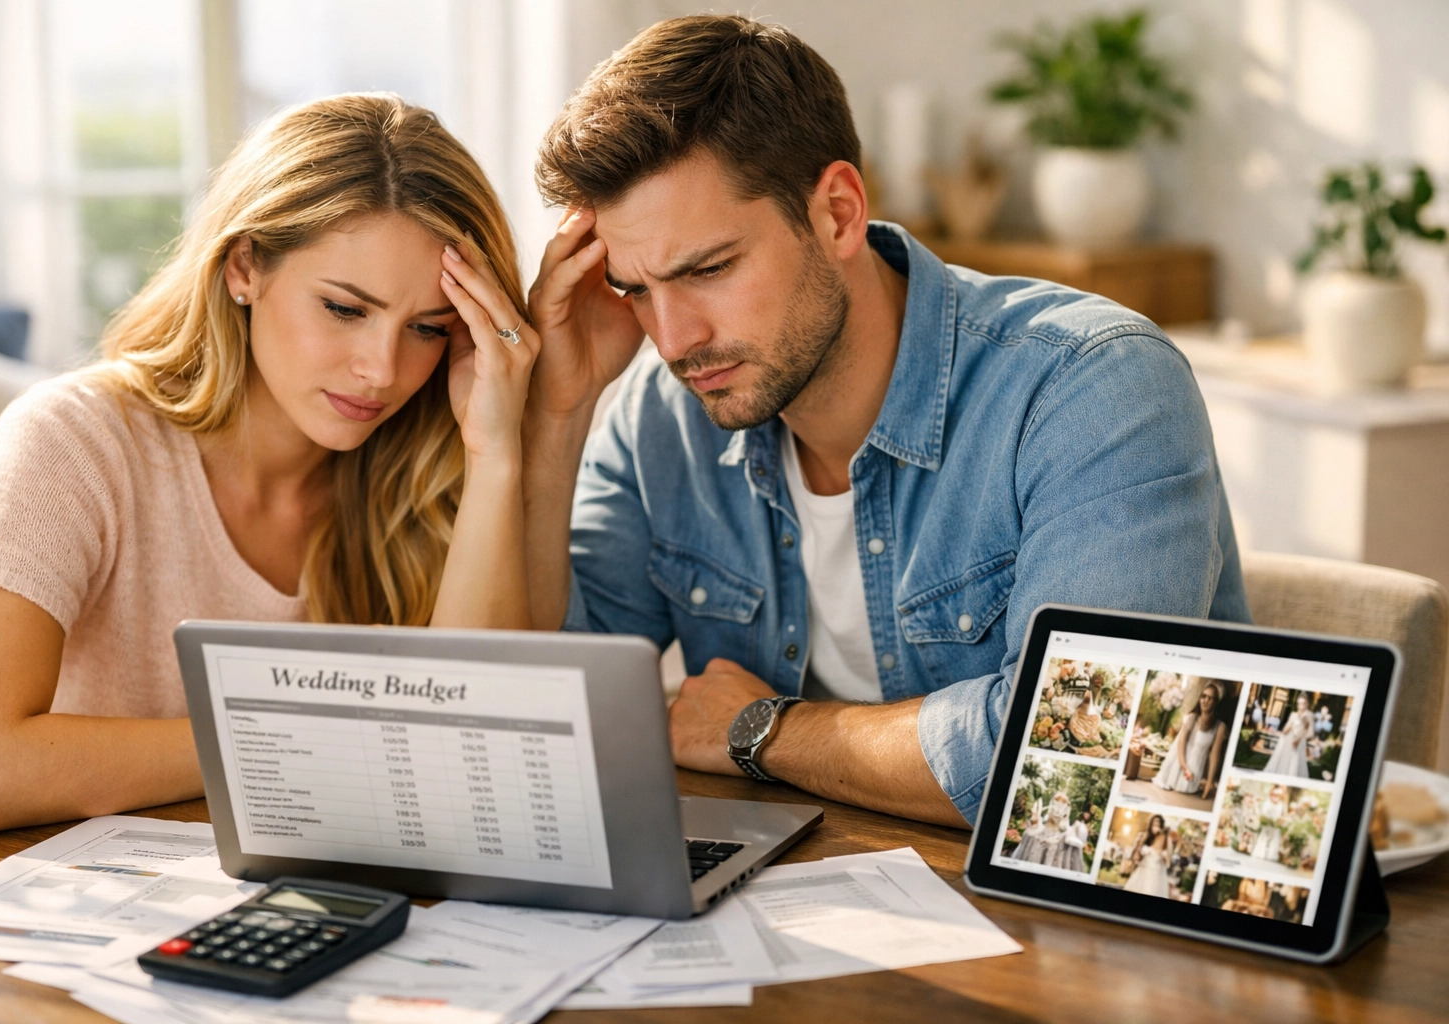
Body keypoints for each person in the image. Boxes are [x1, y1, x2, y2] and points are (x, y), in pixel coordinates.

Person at [520, 15, 1248, 827]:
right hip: (809, 907)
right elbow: (543, 719)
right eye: (636, 290)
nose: (675, 338)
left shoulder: (1092, 387)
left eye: (710, 269)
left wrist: (764, 730)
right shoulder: (661, 416)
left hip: (1073, 935)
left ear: (837, 212)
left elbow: (1077, 764)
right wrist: (557, 413)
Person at [0, 94, 543, 836]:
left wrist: (498, 449)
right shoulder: (73, 441)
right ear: (244, 266)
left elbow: (469, 757)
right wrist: (317, 740)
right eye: (346, 309)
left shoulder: (427, 463)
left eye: (427, 329)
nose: (382, 370)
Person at [1153, 681, 1229, 799]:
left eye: (1210, 698)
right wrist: (1185, 768)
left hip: (1195, 772)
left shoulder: (1219, 727)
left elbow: (1214, 754)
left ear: (1215, 702)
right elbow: (1181, 743)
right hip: (1180, 766)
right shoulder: (1191, 718)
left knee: (1187, 795)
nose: (1205, 701)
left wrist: (1210, 781)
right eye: (1203, 696)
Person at [1264, 692, 1314, 778]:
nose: (1300, 706)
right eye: (1299, 704)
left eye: (1303, 704)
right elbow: (1285, 731)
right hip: (1289, 741)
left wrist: (1300, 737)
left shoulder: (1309, 715)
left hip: (1299, 743)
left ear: (1307, 704)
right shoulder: (1293, 715)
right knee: (1285, 762)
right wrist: (1289, 727)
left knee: (1294, 763)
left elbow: (1311, 734)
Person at [1123, 815, 1172, 897]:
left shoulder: (1165, 837)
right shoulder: (1146, 835)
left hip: (1157, 868)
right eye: (1155, 821)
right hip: (1145, 866)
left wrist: (1161, 853)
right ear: (1151, 822)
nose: (1156, 823)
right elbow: (1139, 849)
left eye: (1158, 821)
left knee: (1152, 889)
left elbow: (1167, 854)